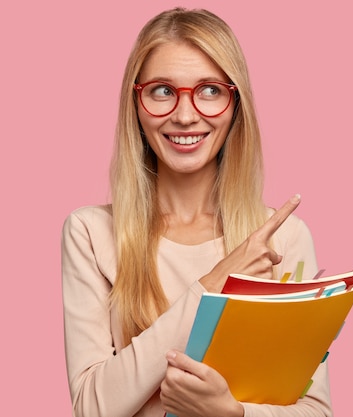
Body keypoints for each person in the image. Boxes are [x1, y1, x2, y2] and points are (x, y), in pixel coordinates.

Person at [61, 7, 332, 417]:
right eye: (163, 91)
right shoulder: (91, 233)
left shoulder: (282, 238)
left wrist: (231, 413)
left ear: (234, 103)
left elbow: (315, 411)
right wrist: (214, 283)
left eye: (209, 90)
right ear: (136, 103)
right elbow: (92, 409)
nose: (186, 115)